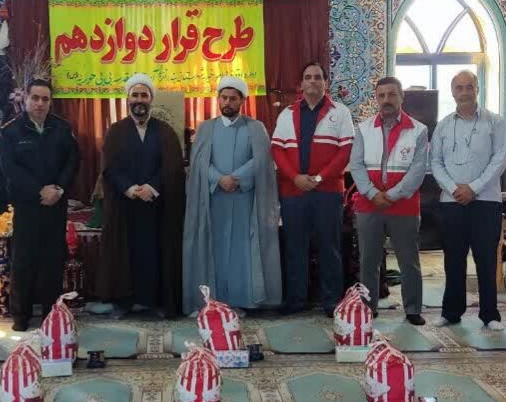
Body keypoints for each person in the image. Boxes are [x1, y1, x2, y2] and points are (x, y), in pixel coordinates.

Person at [183, 76, 282, 315]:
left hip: (244, 200)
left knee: (241, 252)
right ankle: (211, 301)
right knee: (213, 250)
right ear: (218, 99)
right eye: (224, 98)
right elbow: (198, 162)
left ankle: (240, 301)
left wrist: (236, 178)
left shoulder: (255, 128)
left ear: (242, 101)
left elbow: (261, 159)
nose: (227, 102)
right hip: (213, 200)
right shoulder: (206, 128)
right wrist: (219, 179)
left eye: (233, 99)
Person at [98, 73, 185, 318]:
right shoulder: (116, 131)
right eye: (135, 95)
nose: (139, 100)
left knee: (155, 253)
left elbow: (172, 166)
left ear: (151, 99)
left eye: (144, 95)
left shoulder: (165, 131)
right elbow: (110, 167)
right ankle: (125, 301)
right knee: (126, 253)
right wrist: (130, 188)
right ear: (128, 99)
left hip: (157, 206)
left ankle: (155, 301)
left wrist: (152, 188)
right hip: (126, 206)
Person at [271, 62, 355, 317]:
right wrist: (295, 177)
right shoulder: (287, 114)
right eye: (308, 77)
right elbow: (277, 150)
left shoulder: (340, 112)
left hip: (327, 192)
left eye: (318, 77)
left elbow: (345, 151)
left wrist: (319, 177)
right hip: (293, 192)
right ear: (301, 84)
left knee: (330, 247)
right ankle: (296, 300)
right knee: (295, 247)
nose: (313, 81)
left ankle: (332, 301)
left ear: (325, 82)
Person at [0, 78, 80, 331]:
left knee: (52, 262)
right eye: (35, 98)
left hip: (55, 204)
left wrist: (58, 189)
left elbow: (72, 161)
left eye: (45, 99)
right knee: (23, 261)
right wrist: (38, 191)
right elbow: (10, 170)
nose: (40, 104)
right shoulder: (11, 132)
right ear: (25, 98)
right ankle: (20, 317)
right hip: (27, 207)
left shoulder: (62, 128)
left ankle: (50, 315)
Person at [431, 71, 506, 330]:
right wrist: (454, 189)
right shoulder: (443, 125)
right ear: (452, 92)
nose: (464, 92)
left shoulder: (495, 122)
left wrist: (473, 188)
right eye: (459, 88)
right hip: (451, 202)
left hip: (485, 201)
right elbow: (435, 162)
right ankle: (451, 312)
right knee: (453, 259)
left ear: (477, 89)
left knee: (486, 259)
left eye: (469, 87)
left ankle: (490, 315)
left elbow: (499, 160)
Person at [350, 77, 428, 325]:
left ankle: (413, 309)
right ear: (376, 98)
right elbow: (356, 165)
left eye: (392, 94)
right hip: (369, 204)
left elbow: (418, 171)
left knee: (409, 260)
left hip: (404, 205)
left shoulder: (418, 130)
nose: (386, 100)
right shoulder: (363, 129)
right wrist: (372, 193)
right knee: (368, 260)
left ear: (401, 97)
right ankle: (368, 307)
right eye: (381, 95)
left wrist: (391, 195)